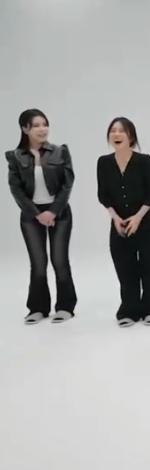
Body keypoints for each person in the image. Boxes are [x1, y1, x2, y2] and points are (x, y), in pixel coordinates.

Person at [5, 109, 77, 324]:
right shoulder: (15, 156)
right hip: (31, 215)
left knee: (59, 260)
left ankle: (65, 307)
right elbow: (16, 189)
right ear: (25, 128)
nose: (42, 129)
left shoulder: (60, 151)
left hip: (59, 212)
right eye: (36, 125)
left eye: (45, 124)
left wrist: (52, 211)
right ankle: (37, 308)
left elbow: (67, 184)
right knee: (38, 263)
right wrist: (37, 214)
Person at [97, 117, 150, 327]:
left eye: (122, 131)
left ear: (131, 137)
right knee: (125, 269)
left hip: (147, 222)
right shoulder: (103, 162)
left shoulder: (144, 161)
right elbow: (103, 195)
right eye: (113, 130)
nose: (116, 134)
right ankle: (129, 310)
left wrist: (137, 218)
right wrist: (115, 218)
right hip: (119, 224)